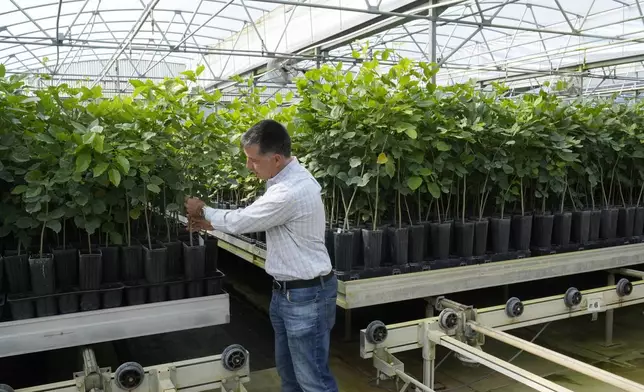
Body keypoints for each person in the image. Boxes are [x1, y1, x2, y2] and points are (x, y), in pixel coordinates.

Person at [185, 119, 338, 392]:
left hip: (305, 298)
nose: (249, 166)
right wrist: (211, 224)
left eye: (253, 160)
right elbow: (260, 219)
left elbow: (243, 221)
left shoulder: (289, 191)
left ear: (276, 159)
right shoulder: (286, 177)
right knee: (290, 376)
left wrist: (203, 210)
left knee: (314, 382)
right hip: (288, 293)